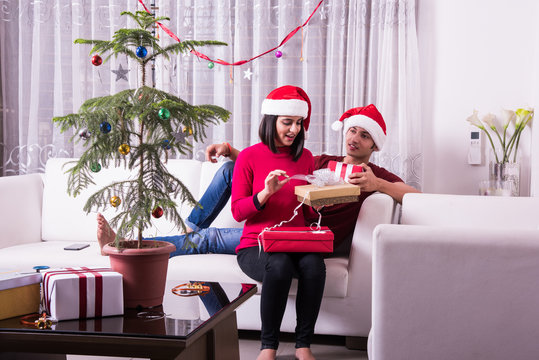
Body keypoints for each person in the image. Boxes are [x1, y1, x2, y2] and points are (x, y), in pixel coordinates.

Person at [97, 104, 420, 256]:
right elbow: (272, 164)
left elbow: (417, 195)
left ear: (374, 145)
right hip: (277, 222)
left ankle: (121, 246)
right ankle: (188, 229)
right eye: (353, 130)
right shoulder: (320, 161)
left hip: (304, 237)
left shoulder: (374, 175)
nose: (355, 139)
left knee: (210, 240)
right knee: (227, 171)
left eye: (365, 136)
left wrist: (379, 185)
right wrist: (232, 152)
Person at [230, 85, 323, 360]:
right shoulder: (248, 156)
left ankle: (303, 345)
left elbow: (304, 214)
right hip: (256, 245)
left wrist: (317, 203)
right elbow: (238, 212)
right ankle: (268, 346)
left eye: (298, 123)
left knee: (315, 266)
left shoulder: (305, 158)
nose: (294, 129)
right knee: (279, 263)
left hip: (297, 241)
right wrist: (266, 192)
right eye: (287, 122)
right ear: (271, 121)